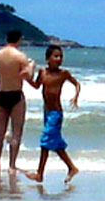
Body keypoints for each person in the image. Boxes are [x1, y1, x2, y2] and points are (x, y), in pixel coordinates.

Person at [24, 45, 81, 183]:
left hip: (56, 113)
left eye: (61, 56)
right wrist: (26, 79)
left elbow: (77, 84)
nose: (59, 59)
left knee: (46, 142)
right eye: (56, 56)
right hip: (47, 112)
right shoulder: (42, 72)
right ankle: (70, 168)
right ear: (48, 58)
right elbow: (37, 86)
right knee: (53, 144)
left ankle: (41, 173)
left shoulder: (63, 74)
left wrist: (75, 97)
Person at [0, 29, 35, 173]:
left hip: (1, 94)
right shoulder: (20, 56)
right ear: (19, 40)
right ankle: (12, 165)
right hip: (16, 94)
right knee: (16, 132)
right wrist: (31, 65)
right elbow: (27, 76)